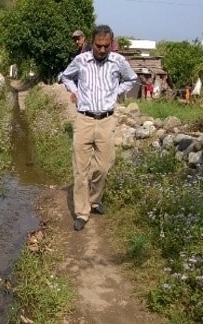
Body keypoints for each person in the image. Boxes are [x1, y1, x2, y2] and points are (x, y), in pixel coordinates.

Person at [60, 24, 138, 231]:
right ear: (91, 43)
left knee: (103, 167)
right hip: (84, 119)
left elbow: (132, 78)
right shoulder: (81, 60)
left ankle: (95, 199)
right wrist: (74, 91)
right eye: (98, 46)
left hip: (106, 120)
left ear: (111, 43)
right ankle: (82, 212)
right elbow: (65, 76)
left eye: (106, 46)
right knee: (80, 170)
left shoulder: (118, 61)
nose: (102, 50)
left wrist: (117, 93)